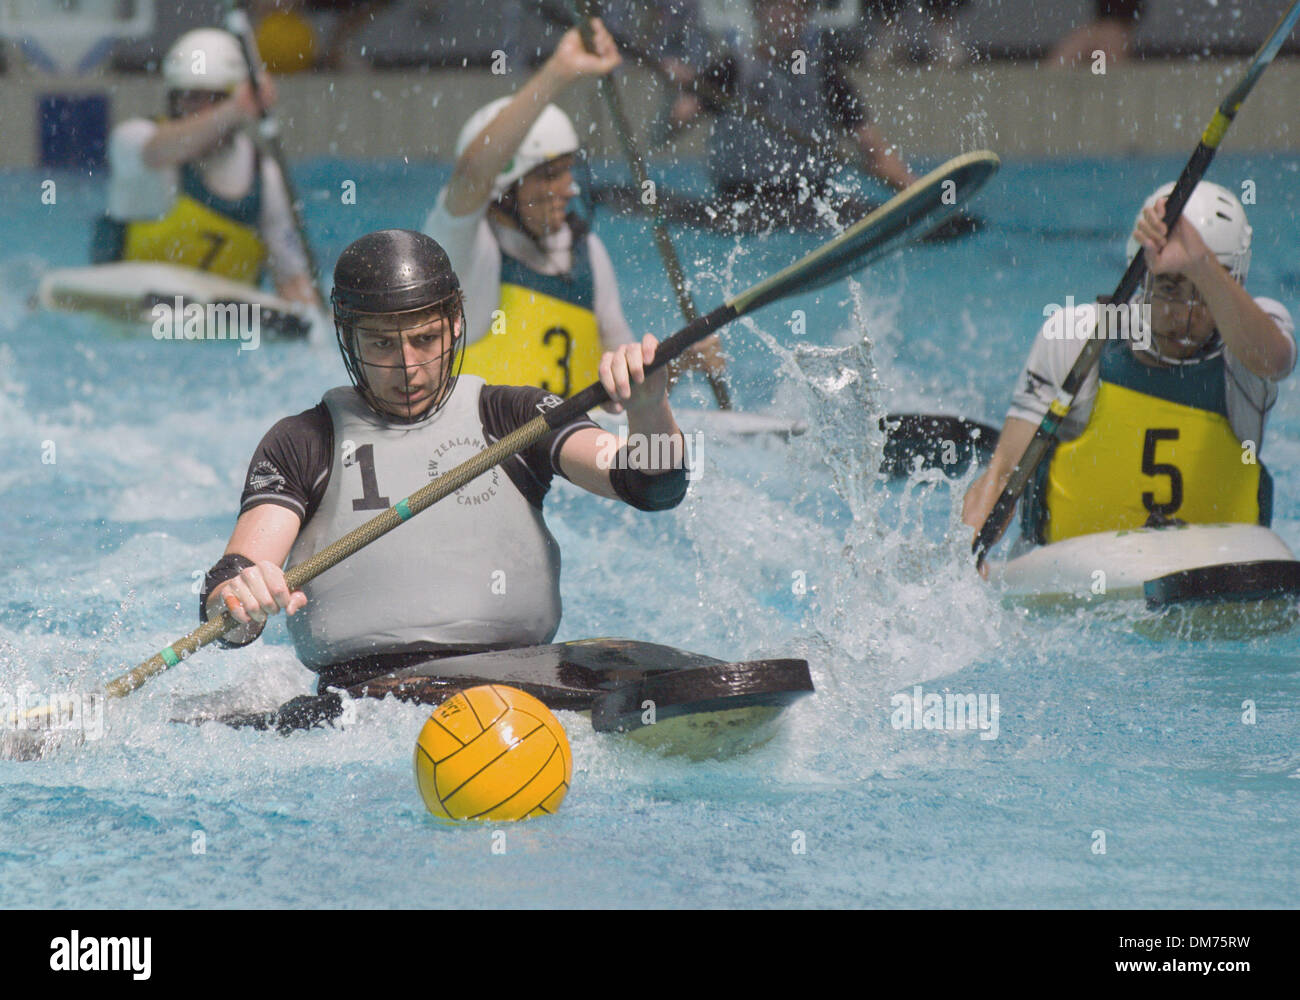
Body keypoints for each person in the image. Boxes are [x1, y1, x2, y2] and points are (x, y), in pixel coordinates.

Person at [198, 229, 688, 693]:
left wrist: (649, 408)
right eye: (383, 345)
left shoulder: (513, 414)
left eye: (424, 340)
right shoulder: (303, 442)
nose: (408, 367)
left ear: (455, 324)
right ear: (349, 339)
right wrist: (242, 600)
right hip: (364, 702)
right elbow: (229, 603)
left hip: (521, 686)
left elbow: (651, 485)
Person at [963, 181, 1295, 564]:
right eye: (1170, 288)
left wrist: (1201, 263)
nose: (1183, 316)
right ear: (1142, 278)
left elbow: (1274, 361)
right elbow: (1003, 473)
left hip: (1212, 587)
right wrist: (970, 569)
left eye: (1204, 293)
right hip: (1073, 584)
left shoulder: (1253, 344)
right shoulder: (1077, 339)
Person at [422, 19, 724, 398]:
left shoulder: (587, 253)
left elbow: (626, 388)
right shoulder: (464, 255)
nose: (568, 190)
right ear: (503, 190)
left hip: (575, 449)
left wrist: (682, 362)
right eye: (549, 175)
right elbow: (470, 176)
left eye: (568, 172)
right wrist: (559, 72)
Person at [90, 27, 319, 308]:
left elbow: (293, 282)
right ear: (173, 101)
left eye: (214, 99)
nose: (202, 110)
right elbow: (159, 151)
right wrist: (235, 108)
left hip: (221, 334)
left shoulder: (265, 176)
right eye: (191, 98)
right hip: (130, 323)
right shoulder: (134, 140)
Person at [671, 0, 919, 230]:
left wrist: (919, 193)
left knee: (886, 220)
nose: (786, 17)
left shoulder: (826, 75)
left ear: (807, 15)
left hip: (810, 206)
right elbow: (669, 128)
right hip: (741, 205)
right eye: (777, 7)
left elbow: (875, 151)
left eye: (796, 8)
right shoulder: (729, 69)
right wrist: (679, 86)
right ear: (759, 12)